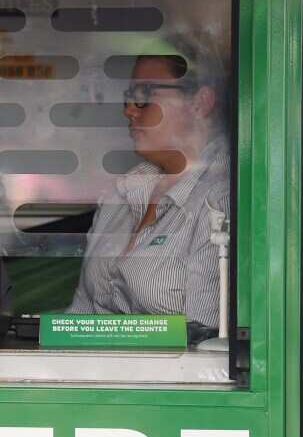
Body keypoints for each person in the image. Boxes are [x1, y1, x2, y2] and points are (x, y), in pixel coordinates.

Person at [68, 34, 230, 331]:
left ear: (200, 102)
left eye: (144, 95)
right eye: (129, 96)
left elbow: (207, 343)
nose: (129, 109)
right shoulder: (122, 193)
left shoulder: (221, 199)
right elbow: (78, 314)